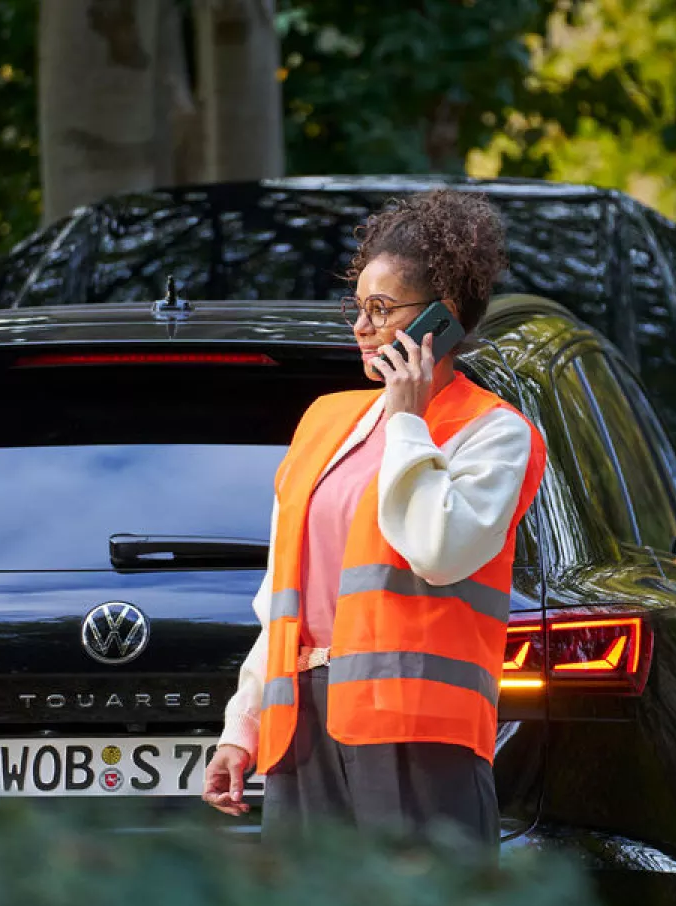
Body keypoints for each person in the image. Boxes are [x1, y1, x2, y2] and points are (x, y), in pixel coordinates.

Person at [202, 189, 547, 849]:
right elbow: (278, 601)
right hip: (303, 732)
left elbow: (437, 550)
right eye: (356, 308)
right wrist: (239, 729)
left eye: (381, 310)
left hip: (420, 739)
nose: (360, 327)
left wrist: (409, 420)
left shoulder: (496, 434)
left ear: (439, 322)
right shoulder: (324, 423)